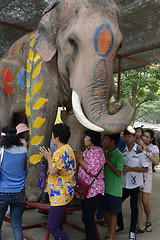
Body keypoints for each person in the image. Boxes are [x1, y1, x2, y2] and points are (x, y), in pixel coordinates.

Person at [39, 123, 76, 240]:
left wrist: (49, 157)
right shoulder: (68, 149)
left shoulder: (61, 152)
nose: (51, 138)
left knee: (52, 226)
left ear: (57, 137)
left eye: (52, 135)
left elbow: (53, 170)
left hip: (60, 195)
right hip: (64, 192)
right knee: (58, 224)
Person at [116, 126, 149, 240]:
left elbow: (146, 169)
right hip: (124, 183)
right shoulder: (122, 151)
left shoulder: (140, 152)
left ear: (134, 137)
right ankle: (120, 225)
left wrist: (131, 169)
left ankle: (132, 231)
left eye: (129, 136)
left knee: (134, 207)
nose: (127, 138)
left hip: (134, 184)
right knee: (117, 203)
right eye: (125, 136)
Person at [74, 129, 106, 240]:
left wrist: (80, 159)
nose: (84, 138)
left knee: (87, 217)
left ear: (92, 139)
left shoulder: (98, 152)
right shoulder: (86, 150)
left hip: (94, 189)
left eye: (86, 136)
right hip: (85, 189)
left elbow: (93, 170)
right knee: (87, 217)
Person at [0, 126, 27, 240]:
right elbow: (24, 169)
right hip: (19, 193)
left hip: (2, 193)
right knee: (16, 226)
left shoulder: (1, 151)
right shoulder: (24, 150)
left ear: (3, 136)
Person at [101, 133, 124, 240]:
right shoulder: (104, 152)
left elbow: (119, 172)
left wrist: (107, 161)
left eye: (106, 139)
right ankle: (110, 230)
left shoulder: (118, 155)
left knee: (113, 213)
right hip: (104, 188)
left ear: (113, 141)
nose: (104, 141)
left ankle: (112, 236)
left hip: (114, 189)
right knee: (103, 210)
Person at [137, 129, 159, 233]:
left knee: (145, 202)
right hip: (137, 175)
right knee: (137, 202)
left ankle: (148, 220)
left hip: (147, 176)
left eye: (146, 137)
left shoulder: (154, 148)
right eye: (143, 136)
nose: (144, 138)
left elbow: (156, 161)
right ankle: (140, 224)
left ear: (151, 139)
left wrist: (145, 151)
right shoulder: (138, 145)